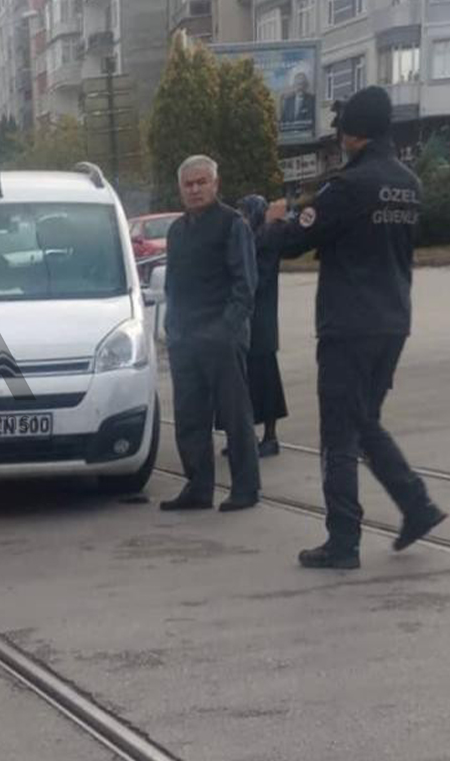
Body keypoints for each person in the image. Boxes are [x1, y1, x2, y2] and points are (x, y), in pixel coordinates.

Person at [264, 86, 445, 569]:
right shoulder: (408, 183)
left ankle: (343, 539)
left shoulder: (348, 186)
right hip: (392, 322)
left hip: (348, 325)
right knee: (364, 423)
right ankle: (417, 505)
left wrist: (271, 223)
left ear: (351, 132)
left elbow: (296, 240)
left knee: (339, 436)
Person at [160, 155, 262, 514]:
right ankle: (198, 487)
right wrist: (171, 328)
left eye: (202, 182)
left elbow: (245, 285)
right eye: (188, 184)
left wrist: (226, 330)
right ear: (180, 189)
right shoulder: (177, 231)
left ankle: (246, 488)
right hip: (184, 338)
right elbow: (172, 283)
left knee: (235, 416)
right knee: (190, 417)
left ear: (216, 184)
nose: (195, 189)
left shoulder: (233, 224)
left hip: (222, 336)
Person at [227, 195, 288, 457]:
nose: (241, 219)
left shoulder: (265, 239)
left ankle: (270, 437)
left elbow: (255, 276)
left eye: (244, 213)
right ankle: (244, 436)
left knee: (265, 381)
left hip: (261, 321)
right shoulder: (249, 238)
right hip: (244, 321)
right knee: (242, 382)